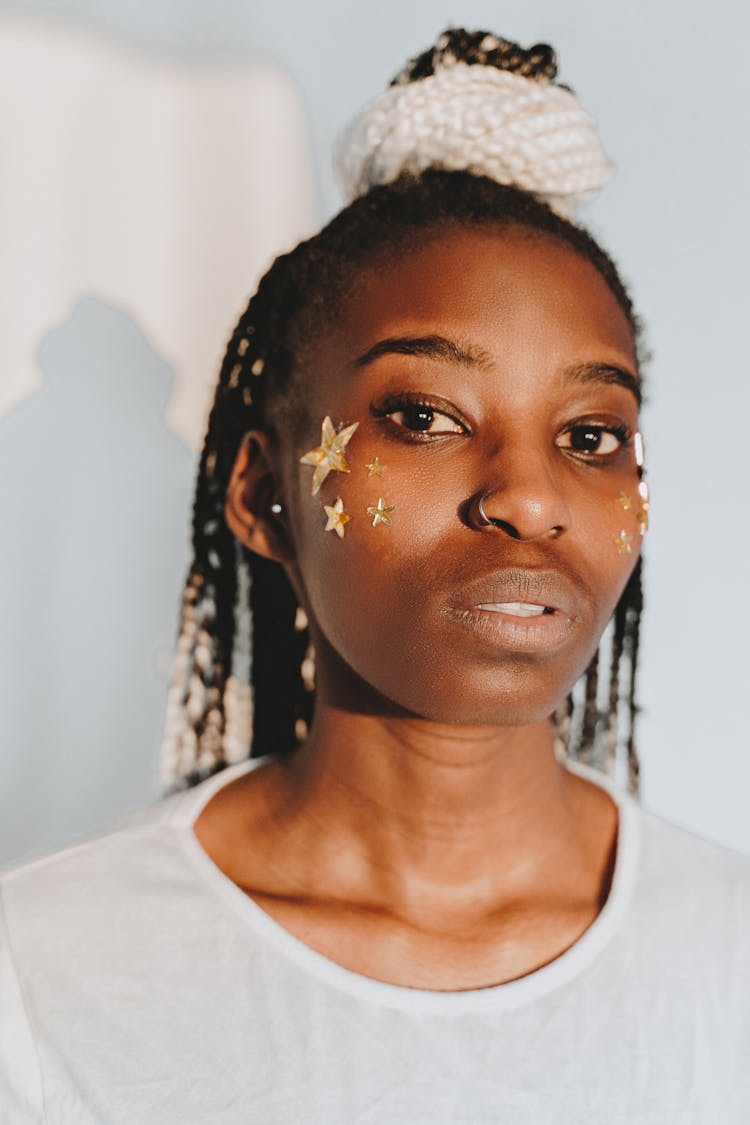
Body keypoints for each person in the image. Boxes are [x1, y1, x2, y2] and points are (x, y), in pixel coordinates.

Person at [1, 28, 748, 1123]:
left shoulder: (730, 959)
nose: (532, 498)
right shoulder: (46, 975)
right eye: (424, 416)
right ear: (262, 499)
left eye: (591, 436)